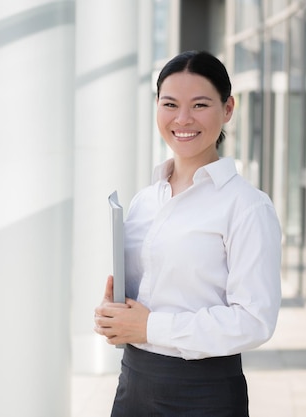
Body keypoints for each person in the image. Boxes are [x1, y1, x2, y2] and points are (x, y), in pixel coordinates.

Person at [93, 50, 282, 417]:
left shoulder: (247, 206)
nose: (183, 119)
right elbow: (146, 298)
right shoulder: (145, 201)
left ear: (227, 109)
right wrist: (113, 314)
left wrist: (151, 326)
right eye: (170, 104)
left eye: (199, 104)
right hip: (134, 383)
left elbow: (255, 321)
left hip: (204, 393)